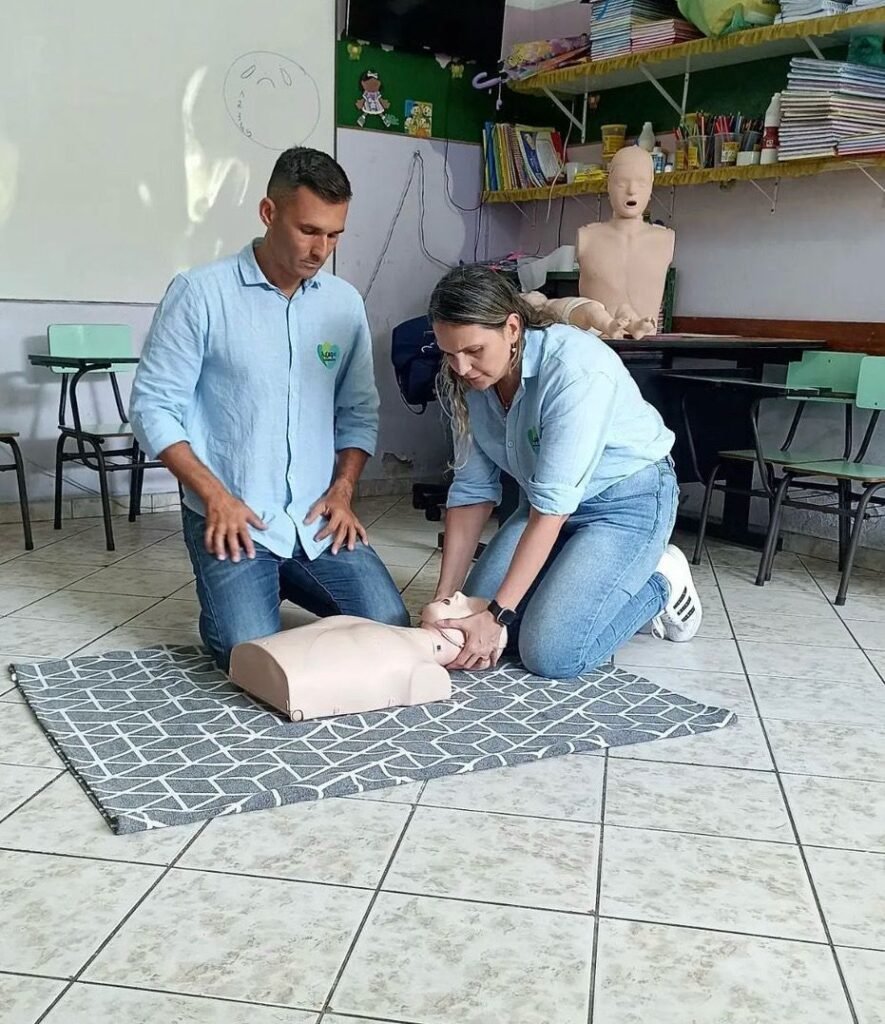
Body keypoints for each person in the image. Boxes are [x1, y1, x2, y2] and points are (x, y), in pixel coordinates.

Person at [130, 146, 408, 672]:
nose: (321, 249)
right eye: (309, 230)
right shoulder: (199, 293)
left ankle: (281, 577)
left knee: (390, 625)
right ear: (268, 212)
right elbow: (152, 408)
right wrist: (216, 496)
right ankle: (246, 586)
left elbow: (358, 410)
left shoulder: (343, 303)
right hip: (235, 516)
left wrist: (343, 490)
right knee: (248, 653)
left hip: (314, 517)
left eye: (334, 235)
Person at [425, 264, 702, 678]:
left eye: (474, 351)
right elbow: (471, 492)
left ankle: (662, 581)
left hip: (624, 503)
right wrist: (446, 601)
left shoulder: (574, 369)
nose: (461, 367)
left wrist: (497, 614)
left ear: (512, 328)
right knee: (472, 624)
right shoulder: (467, 380)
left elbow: (551, 512)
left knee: (550, 652)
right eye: (450, 353)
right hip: (544, 505)